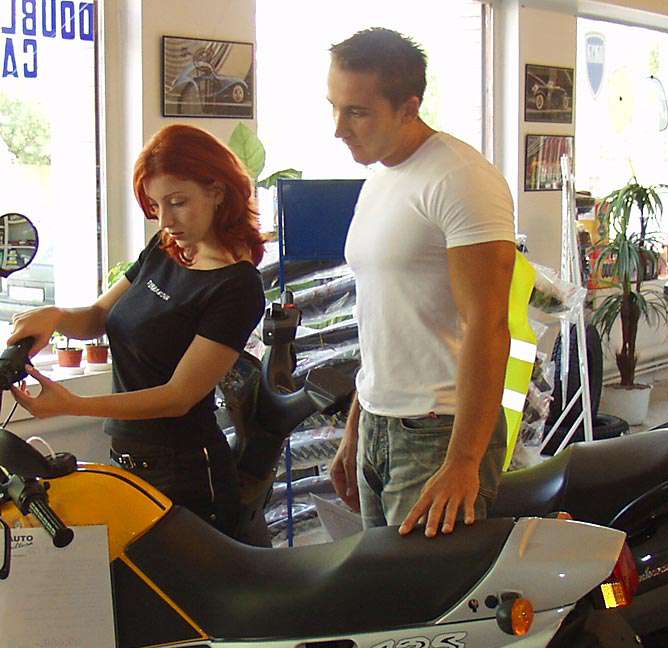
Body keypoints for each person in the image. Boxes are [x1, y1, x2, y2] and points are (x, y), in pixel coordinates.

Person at [6, 124, 265, 535]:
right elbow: (98, 316)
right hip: (126, 457)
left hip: (186, 471)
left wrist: (74, 404)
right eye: (156, 205)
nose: (165, 219)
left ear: (217, 191)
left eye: (178, 202)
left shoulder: (236, 286)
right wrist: (54, 317)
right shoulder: (164, 249)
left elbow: (178, 397)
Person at [326, 28, 515, 538]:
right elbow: (384, 319)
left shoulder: (461, 178)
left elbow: (490, 325)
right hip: (379, 423)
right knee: (381, 585)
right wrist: (357, 427)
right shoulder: (380, 179)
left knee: (424, 589)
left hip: (438, 431)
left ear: (409, 108)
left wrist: (463, 461)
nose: (339, 128)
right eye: (335, 107)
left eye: (357, 112)